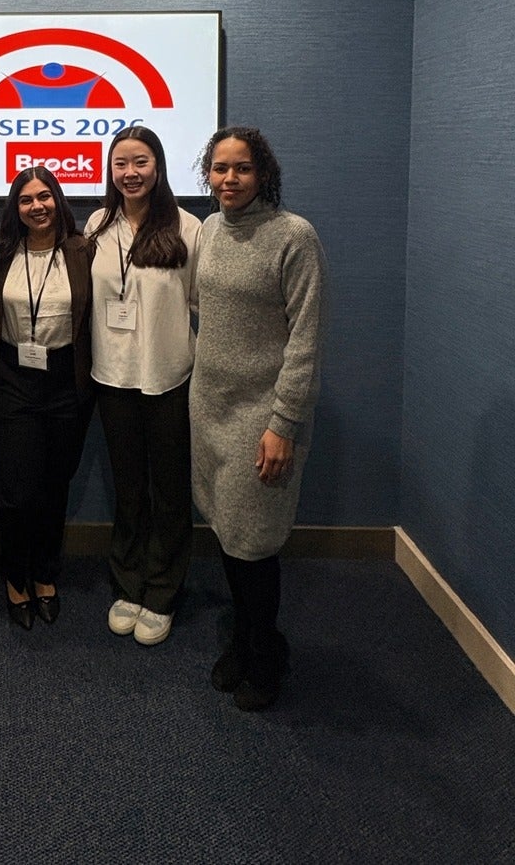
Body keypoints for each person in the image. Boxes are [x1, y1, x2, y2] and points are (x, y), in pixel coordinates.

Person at [191, 126, 328, 712]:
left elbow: (306, 340)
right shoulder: (209, 230)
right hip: (210, 406)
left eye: (242, 168)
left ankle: (266, 654)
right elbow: (204, 308)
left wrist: (284, 423)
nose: (229, 179)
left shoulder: (294, 236)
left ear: (263, 173)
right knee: (227, 530)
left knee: (255, 542)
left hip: (262, 416)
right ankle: (245, 638)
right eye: (220, 168)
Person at [87, 125, 201, 647]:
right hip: (112, 376)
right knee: (128, 487)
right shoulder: (98, 223)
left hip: (168, 377)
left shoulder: (188, 227)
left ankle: (162, 591)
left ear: (158, 166)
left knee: (170, 490)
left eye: (140, 162)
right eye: (120, 164)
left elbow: (201, 304)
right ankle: (129, 584)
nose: (130, 173)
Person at [0, 168, 94, 630]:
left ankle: (46, 575)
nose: (37, 206)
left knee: (54, 485)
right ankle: (15, 577)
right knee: (15, 490)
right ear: (16, 208)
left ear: (58, 199)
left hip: (66, 380)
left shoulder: (83, 251)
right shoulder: (1, 252)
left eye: (44, 196)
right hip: (14, 379)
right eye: (26, 200)